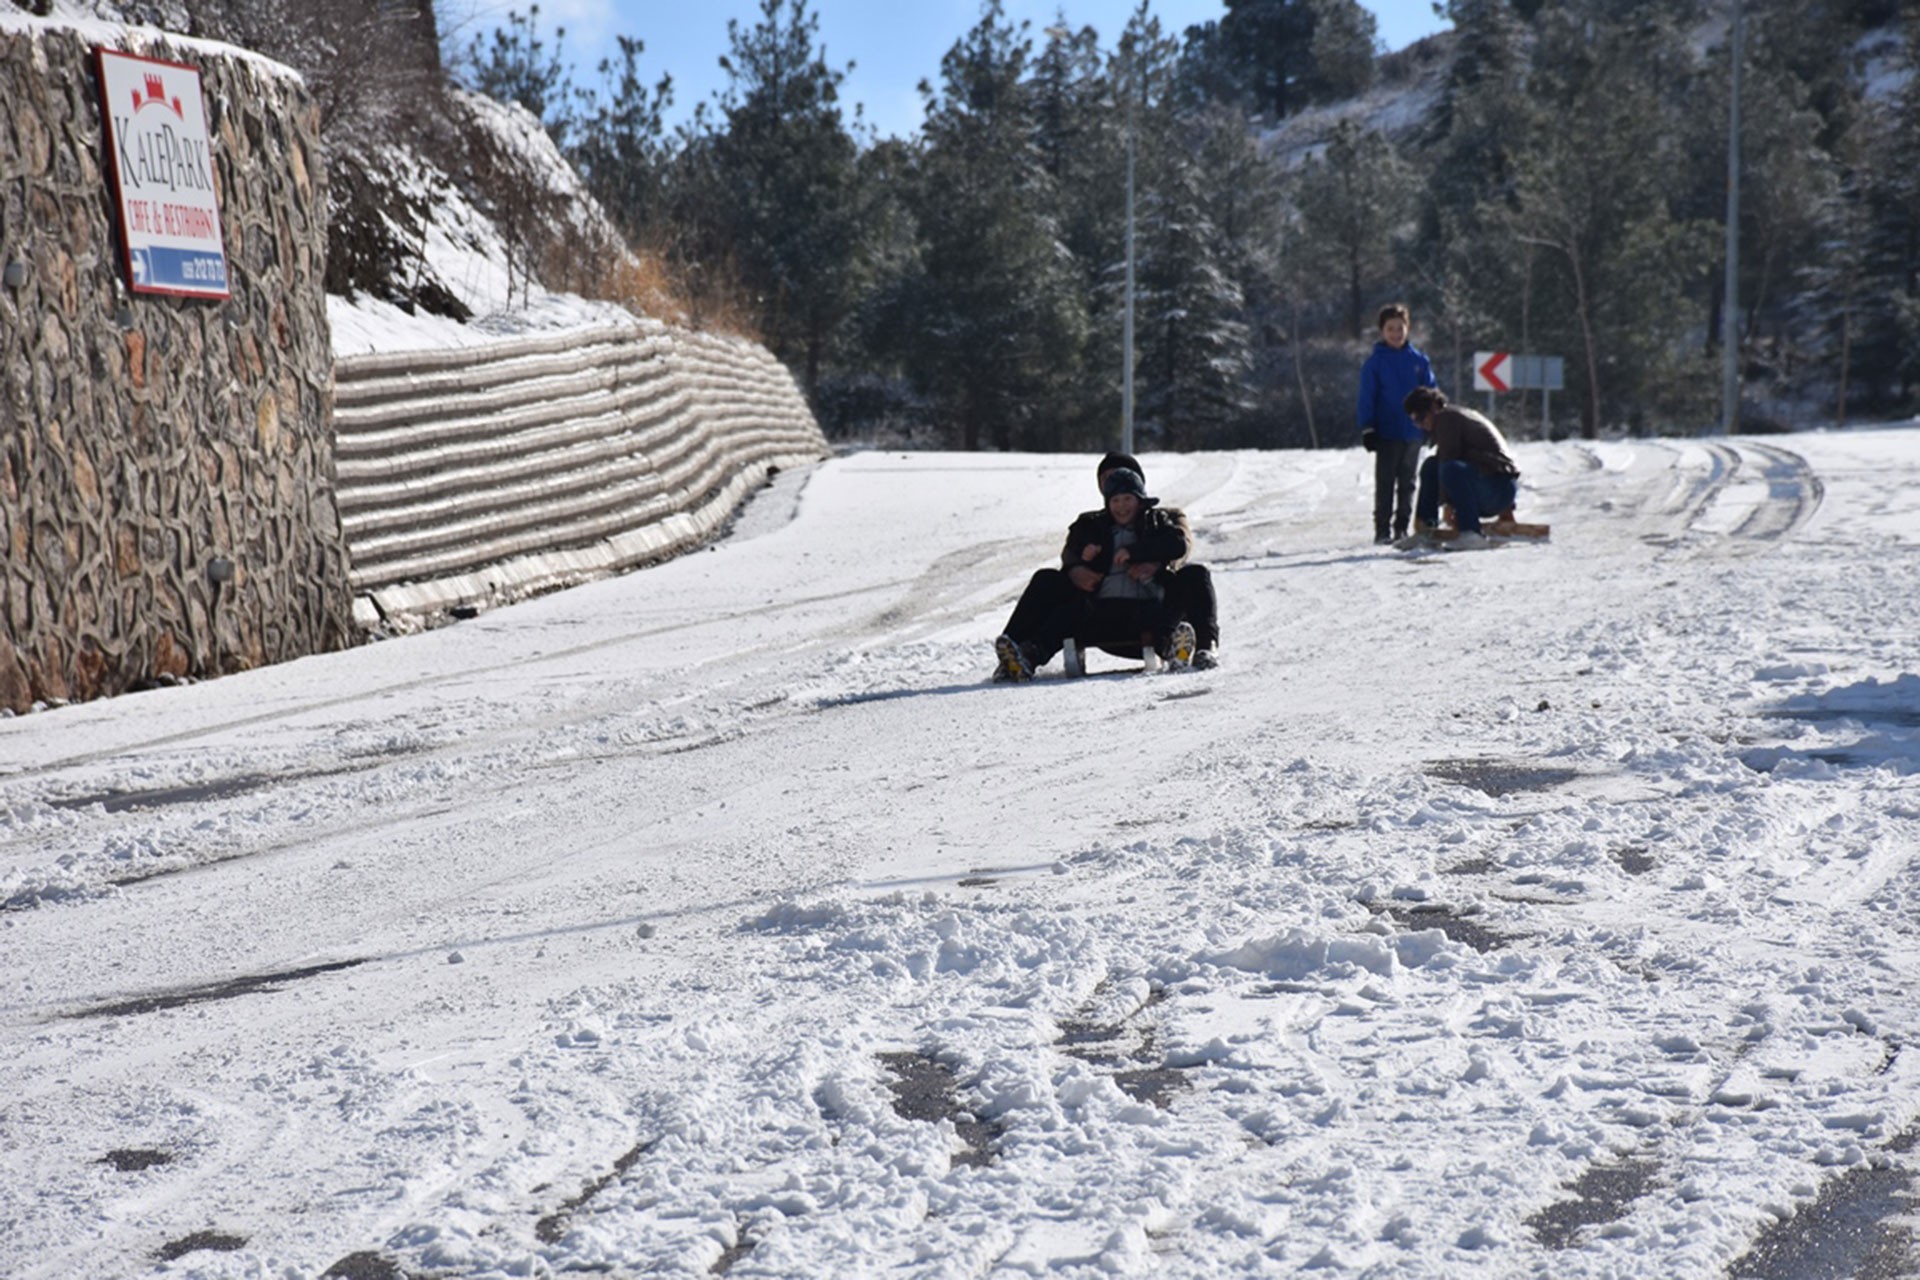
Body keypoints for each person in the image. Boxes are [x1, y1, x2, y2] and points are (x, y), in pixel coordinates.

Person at [994, 451, 1219, 679]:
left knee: (1195, 575)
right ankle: (1018, 657)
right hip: (1101, 610)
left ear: (1140, 494)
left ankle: (1200, 648)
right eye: (1113, 494)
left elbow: (1180, 543)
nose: (1121, 504)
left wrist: (1145, 557)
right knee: (1057, 598)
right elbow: (1071, 548)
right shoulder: (1093, 523)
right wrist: (1079, 564)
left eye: (1128, 497)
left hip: (1146, 606)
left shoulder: (1159, 519)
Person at [1356, 303, 1438, 544]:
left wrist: (1433, 422)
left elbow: (1431, 393)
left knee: (1408, 482)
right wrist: (1368, 427)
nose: (1396, 334)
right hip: (1386, 431)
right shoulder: (1374, 364)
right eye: (1390, 329)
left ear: (1408, 329)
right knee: (1385, 482)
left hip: (1413, 432)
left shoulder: (1420, 362)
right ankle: (1382, 529)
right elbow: (1366, 397)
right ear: (1382, 331)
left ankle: (1401, 527)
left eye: (1400, 328)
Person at [1402, 386, 1521, 549]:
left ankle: (1471, 533)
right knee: (1431, 466)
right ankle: (1426, 530)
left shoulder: (1446, 418)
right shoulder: (1451, 418)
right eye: (1416, 421)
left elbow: (1450, 463)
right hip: (1496, 489)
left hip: (1498, 489)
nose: (1422, 425)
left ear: (1433, 407)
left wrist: (1448, 505)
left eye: (1422, 418)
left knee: (1451, 468)